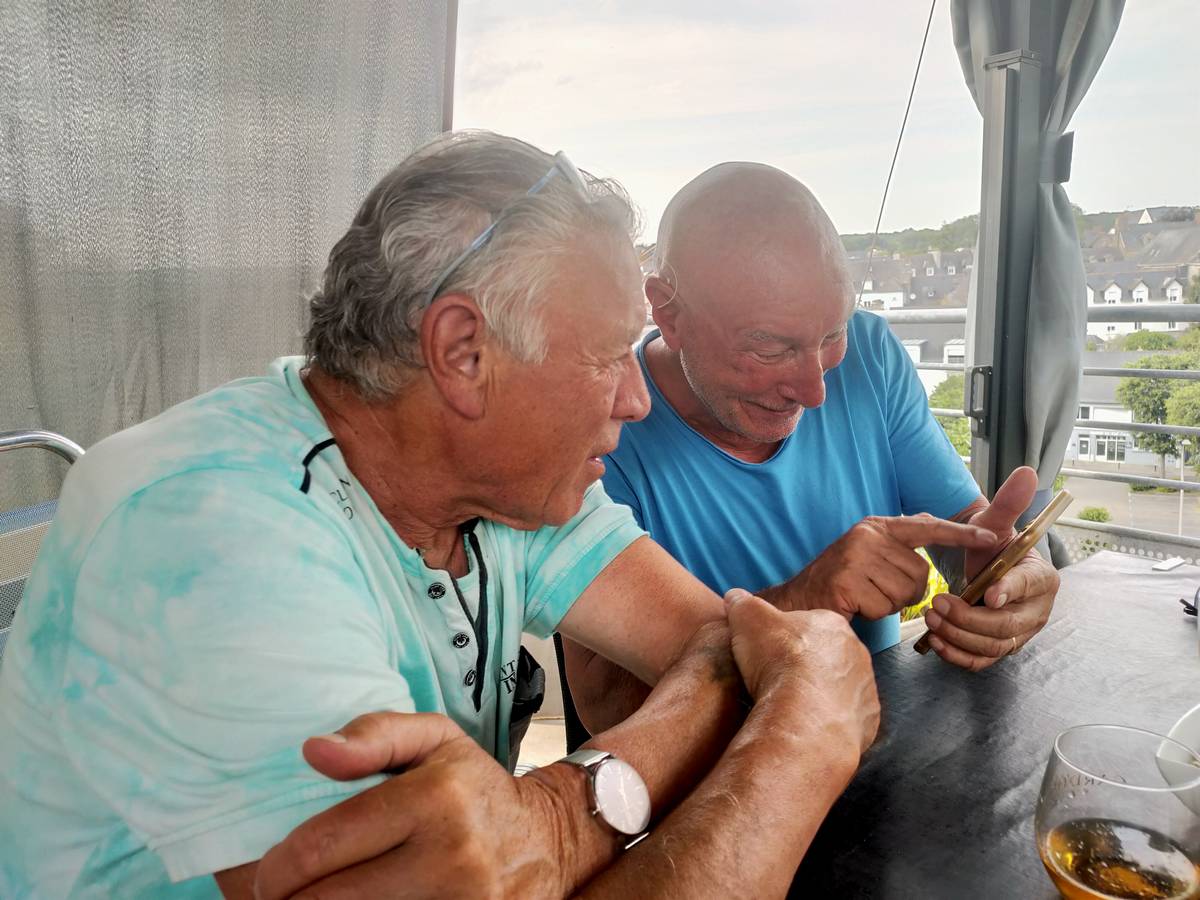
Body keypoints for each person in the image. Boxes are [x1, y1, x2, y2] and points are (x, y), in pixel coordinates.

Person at [0, 133, 987, 898]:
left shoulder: (505, 482)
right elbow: (759, 676)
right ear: (463, 353)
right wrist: (799, 742)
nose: (635, 396)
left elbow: (721, 645)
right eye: (605, 356)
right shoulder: (210, 536)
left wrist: (562, 813)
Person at [563, 162, 1061, 736]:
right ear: (668, 312)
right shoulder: (601, 431)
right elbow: (605, 706)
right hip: (715, 770)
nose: (815, 391)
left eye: (830, 336)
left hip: (874, 737)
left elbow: (962, 528)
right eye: (770, 350)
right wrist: (802, 600)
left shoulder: (869, 354)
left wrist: (999, 573)